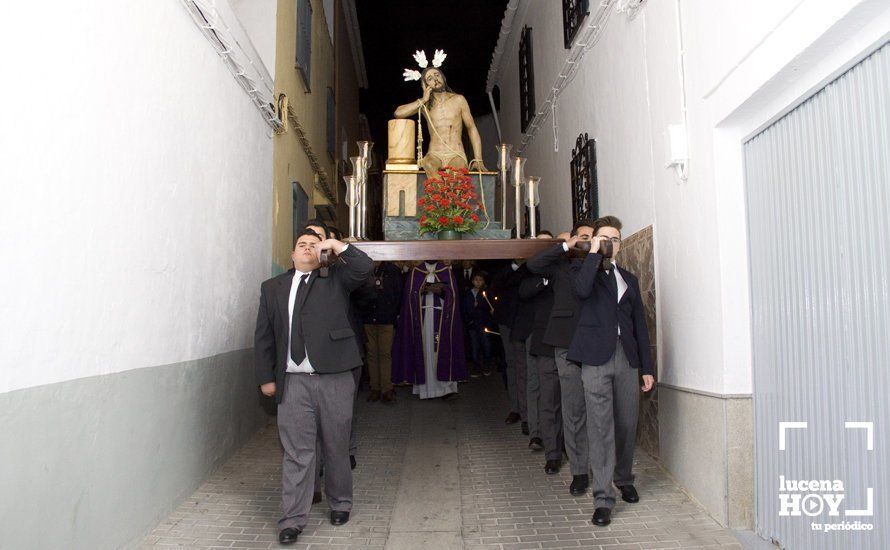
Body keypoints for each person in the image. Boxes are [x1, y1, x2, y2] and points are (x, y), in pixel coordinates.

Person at [254, 229, 373, 544]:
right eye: (301, 245)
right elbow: (264, 335)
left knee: (336, 445)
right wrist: (266, 377)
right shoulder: (273, 288)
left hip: (334, 376)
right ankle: (292, 519)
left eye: (313, 245)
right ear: (292, 255)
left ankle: (340, 502)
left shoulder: (335, 279)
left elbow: (364, 268)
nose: (307, 248)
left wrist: (336, 246)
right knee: (297, 453)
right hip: (292, 382)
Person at [566, 216, 655, 527]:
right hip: (595, 358)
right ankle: (603, 497)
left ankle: (623, 477)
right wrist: (593, 254)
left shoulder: (628, 278)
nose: (610, 243)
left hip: (627, 359)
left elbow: (640, 327)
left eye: (615, 239)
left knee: (627, 423)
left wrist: (646, 367)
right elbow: (581, 292)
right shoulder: (582, 269)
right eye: (604, 237)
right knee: (601, 427)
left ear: (620, 243)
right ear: (594, 240)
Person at [526, 221, 594, 496]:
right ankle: (562, 459)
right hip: (559, 341)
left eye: (591, 237)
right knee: (563, 402)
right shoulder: (559, 264)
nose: (587, 241)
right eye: (583, 237)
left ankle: (591, 462)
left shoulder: (598, 262)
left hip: (593, 341)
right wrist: (566, 245)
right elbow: (533, 265)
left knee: (590, 408)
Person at [519, 230, 564, 473]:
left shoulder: (568, 269)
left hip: (568, 342)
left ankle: (566, 444)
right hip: (543, 340)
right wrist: (545, 280)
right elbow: (524, 292)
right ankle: (549, 448)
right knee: (546, 397)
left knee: (568, 399)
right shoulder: (535, 272)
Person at [392, 260, 467, 398]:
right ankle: (424, 388)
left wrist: (440, 291)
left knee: (441, 350)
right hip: (422, 319)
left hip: (442, 318)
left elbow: (454, 296)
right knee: (424, 350)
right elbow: (409, 296)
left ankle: (445, 389)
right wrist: (420, 291)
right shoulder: (416, 272)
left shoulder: (446, 272)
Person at [489, 260, 528, 426]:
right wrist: (514, 267)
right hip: (507, 321)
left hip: (529, 322)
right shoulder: (504, 269)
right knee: (512, 365)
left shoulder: (534, 267)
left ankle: (529, 411)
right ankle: (516, 408)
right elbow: (495, 287)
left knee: (528, 368)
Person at [358, 261, 403, 403]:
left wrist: (392, 311)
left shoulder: (392, 270)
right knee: (371, 354)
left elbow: (398, 293)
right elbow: (357, 293)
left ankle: (387, 388)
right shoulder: (363, 268)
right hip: (368, 318)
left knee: (385, 353)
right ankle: (375, 388)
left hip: (386, 318)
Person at [461, 272, 494, 378]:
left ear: (483, 281)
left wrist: (480, 305)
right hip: (472, 325)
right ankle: (476, 367)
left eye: (480, 280)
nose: (478, 282)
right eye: (476, 280)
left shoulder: (487, 292)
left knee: (486, 346)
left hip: (484, 323)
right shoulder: (468, 293)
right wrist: (468, 320)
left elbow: (491, 306)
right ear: (472, 281)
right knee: (474, 347)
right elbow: (464, 308)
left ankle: (487, 366)